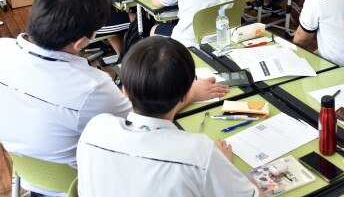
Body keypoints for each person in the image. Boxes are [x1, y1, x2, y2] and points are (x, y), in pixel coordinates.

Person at [77, 37, 262, 196]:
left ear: (124, 90)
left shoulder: (96, 127)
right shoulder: (199, 153)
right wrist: (221, 166)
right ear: (186, 93)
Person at [0, 0, 132, 196]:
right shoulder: (92, 87)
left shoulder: (3, 48)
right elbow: (136, 126)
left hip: (29, 173)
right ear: (80, 42)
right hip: (84, 185)